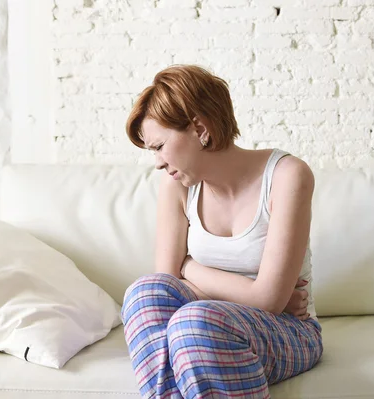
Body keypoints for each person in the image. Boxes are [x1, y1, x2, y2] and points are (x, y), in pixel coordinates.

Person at [121, 64, 323, 399]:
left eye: (159, 146)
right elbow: (167, 290)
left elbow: (269, 301)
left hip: (291, 329)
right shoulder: (177, 185)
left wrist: (188, 266)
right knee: (146, 294)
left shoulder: (288, 175)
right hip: (209, 325)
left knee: (194, 323)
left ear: (199, 128)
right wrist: (255, 294)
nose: (156, 162)